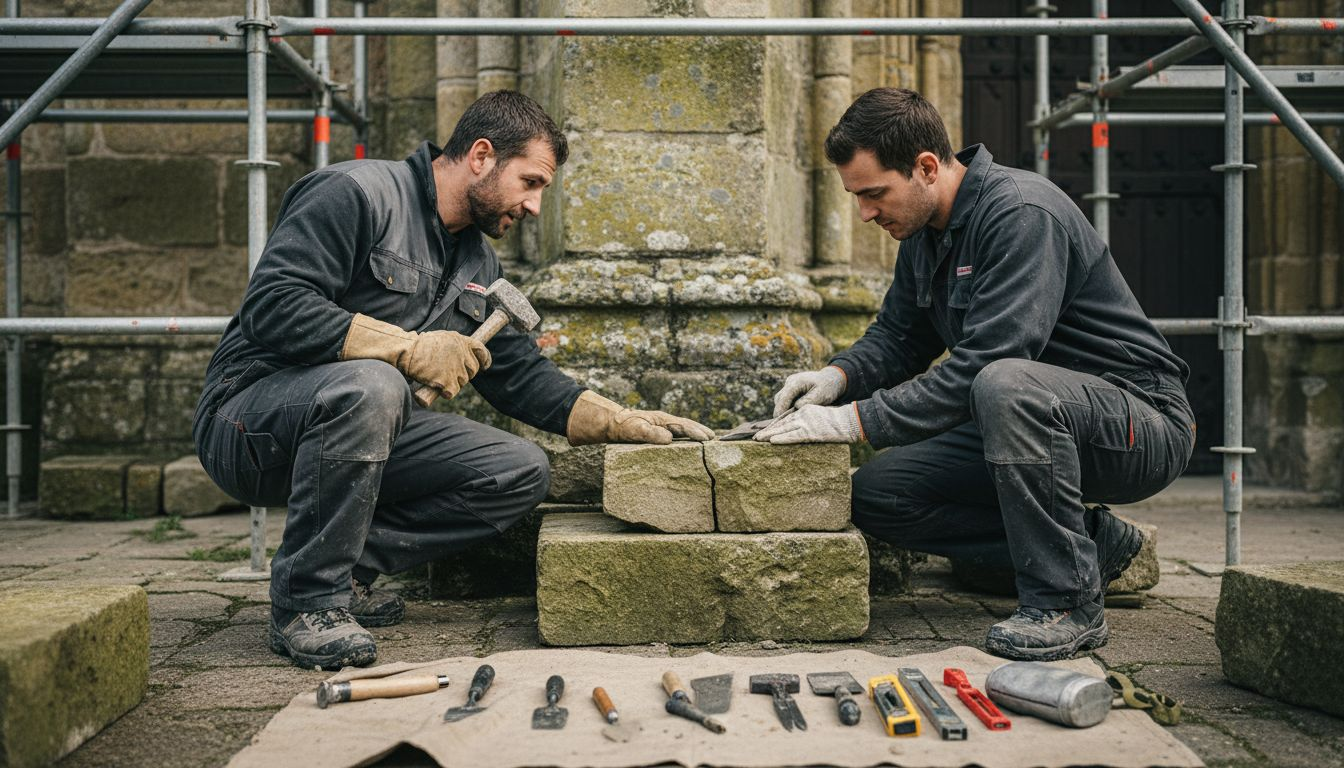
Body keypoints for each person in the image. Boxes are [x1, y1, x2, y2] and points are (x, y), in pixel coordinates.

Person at [194, 91, 713, 670]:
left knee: (516, 471)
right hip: (249, 425)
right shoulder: (355, 193)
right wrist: (408, 348)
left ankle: (344, 572)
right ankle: (305, 602)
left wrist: (617, 420)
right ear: (482, 155)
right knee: (375, 385)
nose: (535, 205)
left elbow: (518, 374)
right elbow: (274, 304)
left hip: (361, 429)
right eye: (531, 182)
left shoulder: (475, 263)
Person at [760, 88, 1195, 661]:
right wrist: (837, 377)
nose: (865, 213)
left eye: (873, 193)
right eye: (856, 197)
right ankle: (1090, 545)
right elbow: (899, 337)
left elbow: (988, 361)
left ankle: (1064, 602)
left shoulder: (1020, 213)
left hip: (1137, 424)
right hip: (1026, 417)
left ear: (926, 167)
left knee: (1002, 382)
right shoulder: (920, 234)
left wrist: (853, 422)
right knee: (879, 494)